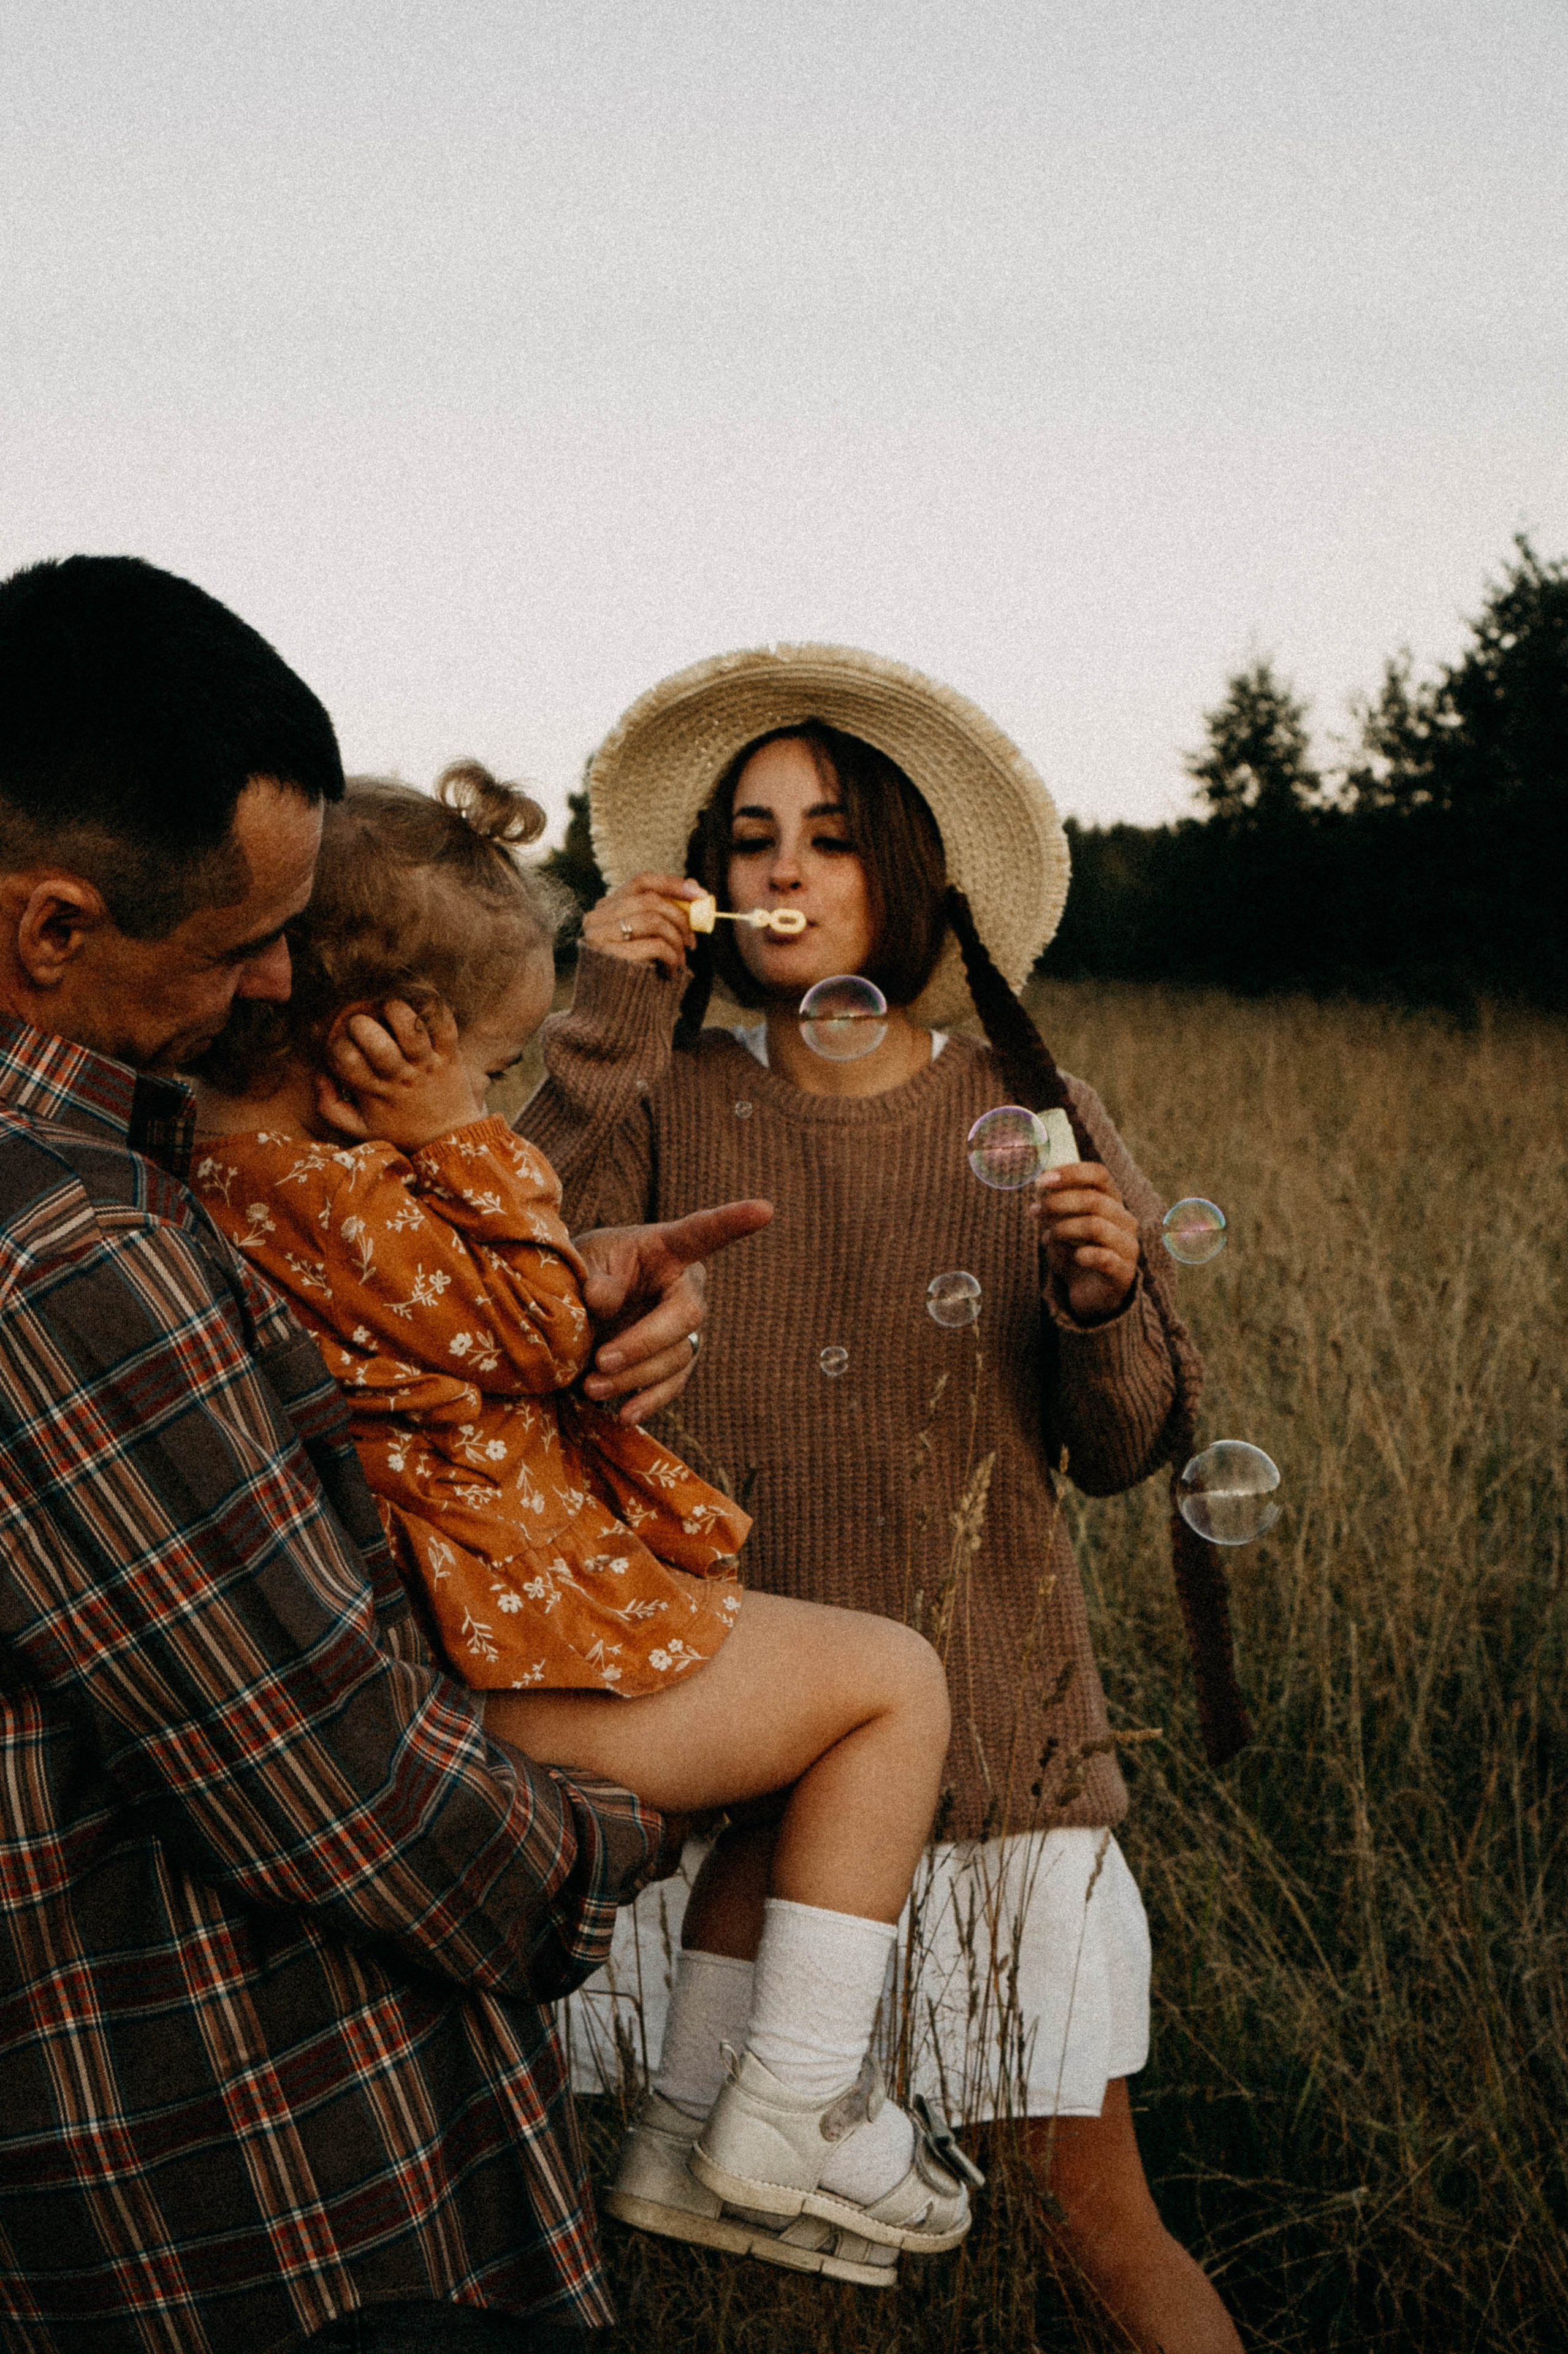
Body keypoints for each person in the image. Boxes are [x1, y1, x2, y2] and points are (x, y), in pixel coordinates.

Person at [0, 556, 747, 2354]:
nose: (280, 983)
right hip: (270, 2189)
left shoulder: (141, 1159)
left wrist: (546, 1303)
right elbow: (325, 1773)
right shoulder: (69, 1257)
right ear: (48, 931)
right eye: (242, 942)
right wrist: (640, 1821)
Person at [518, 644, 1251, 2354]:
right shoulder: (666, 1101)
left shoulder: (1030, 1111)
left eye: (833, 835)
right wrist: (607, 1018)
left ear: (909, 873)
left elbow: (1134, 1439)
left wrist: (1098, 1301)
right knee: (685, 2251)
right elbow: (495, 1282)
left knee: (1099, 2229)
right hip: (713, 1786)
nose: (784, 866)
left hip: (994, 1766)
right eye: (752, 834)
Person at [189, 765, 978, 2293]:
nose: (486, 1108)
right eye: (482, 1072)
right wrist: (464, 1142)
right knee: (893, 1683)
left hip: (463, 1633)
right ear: (377, 1039)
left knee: (795, 1757)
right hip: (500, 1661)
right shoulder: (315, 1186)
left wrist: (463, 1162)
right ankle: (801, 2106)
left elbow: (472, 1321)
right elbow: (533, 1325)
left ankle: (699, 2126)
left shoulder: (246, 1172)